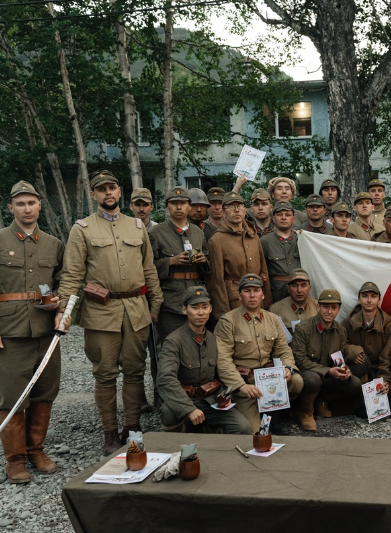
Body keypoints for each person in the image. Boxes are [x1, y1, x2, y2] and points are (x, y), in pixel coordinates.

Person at [57, 170, 163, 454]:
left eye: (112, 187)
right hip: (100, 312)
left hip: (135, 310)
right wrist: (64, 310)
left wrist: (155, 303)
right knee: (104, 374)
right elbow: (71, 274)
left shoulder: (137, 227)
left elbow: (149, 268)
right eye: (101, 189)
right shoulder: (82, 229)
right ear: (93, 194)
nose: (108, 193)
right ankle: (110, 432)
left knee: (135, 370)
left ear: (119, 191)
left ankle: (132, 427)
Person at [0, 181, 64, 483]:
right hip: (9, 332)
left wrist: (62, 307)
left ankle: (36, 450)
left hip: (46, 331)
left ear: (40, 205)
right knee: (12, 396)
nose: (27, 209)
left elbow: (64, 281)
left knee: (45, 392)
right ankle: (15, 460)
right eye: (21, 204)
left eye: (32, 203)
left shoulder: (53, 244)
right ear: (10, 208)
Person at [214, 274, 303, 434]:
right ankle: (255, 413)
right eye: (247, 291)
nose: (252, 295)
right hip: (245, 383)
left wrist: (288, 367)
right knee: (252, 433)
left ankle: (272, 413)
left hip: (268, 379)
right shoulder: (228, 321)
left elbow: (283, 349)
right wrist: (240, 386)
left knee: (296, 381)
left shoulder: (273, 319)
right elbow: (223, 359)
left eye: (256, 290)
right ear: (240, 296)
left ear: (263, 295)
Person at [156, 286, 252, 434]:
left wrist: (224, 395)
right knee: (169, 412)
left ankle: (205, 432)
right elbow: (165, 379)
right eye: (195, 308)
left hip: (210, 401)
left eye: (205, 307)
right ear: (184, 309)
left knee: (243, 427)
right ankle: (178, 439)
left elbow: (219, 373)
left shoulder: (212, 339)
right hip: (185, 400)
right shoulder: (174, 341)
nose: (201, 313)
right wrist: (188, 409)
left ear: (210, 309)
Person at [291, 289, 364, 431]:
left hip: (327, 375)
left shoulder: (340, 331)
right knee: (313, 379)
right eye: (325, 307)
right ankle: (306, 412)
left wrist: (344, 370)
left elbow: (338, 358)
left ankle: (321, 400)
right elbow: (299, 360)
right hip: (308, 374)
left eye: (333, 307)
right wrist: (328, 371)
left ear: (338, 310)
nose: (329, 311)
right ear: (318, 307)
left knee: (354, 383)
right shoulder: (303, 328)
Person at [149, 186, 210, 348]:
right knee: (170, 345)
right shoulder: (156, 232)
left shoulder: (197, 232)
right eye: (174, 203)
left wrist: (203, 260)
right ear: (167, 207)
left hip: (196, 296)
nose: (178, 207)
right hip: (171, 300)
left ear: (189, 206)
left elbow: (208, 263)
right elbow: (147, 268)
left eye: (182, 203)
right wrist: (170, 262)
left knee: (195, 345)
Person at [206, 191, 272, 321]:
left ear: (245, 209)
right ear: (223, 212)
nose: (236, 210)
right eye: (231, 207)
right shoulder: (216, 240)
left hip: (257, 299)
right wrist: (222, 315)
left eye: (240, 206)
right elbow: (216, 282)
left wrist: (267, 303)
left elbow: (264, 272)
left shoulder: (253, 236)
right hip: (234, 302)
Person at [343, 282, 391, 398]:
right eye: (365, 296)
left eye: (373, 296)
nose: (369, 300)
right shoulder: (347, 323)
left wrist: (385, 380)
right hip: (357, 371)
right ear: (359, 299)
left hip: (379, 371)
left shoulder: (389, 326)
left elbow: (387, 357)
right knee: (361, 364)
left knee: (389, 403)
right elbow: (340, 346)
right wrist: (353, 351)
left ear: (379, 300)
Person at [260, 201, 301, 303]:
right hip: (276, 292)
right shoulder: (265, 241)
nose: (283, 218)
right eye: (279, 214)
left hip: (299, 290)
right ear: (273, 218)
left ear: (293, 218)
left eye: (287, 215)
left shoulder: (301, 239)